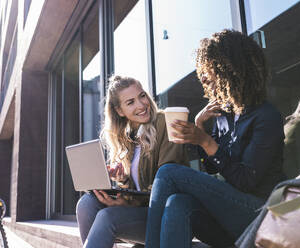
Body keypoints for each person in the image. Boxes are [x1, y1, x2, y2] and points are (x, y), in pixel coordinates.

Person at [145, 29, 285, 248]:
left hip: (261, 215)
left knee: (167, 172)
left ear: (230, 67)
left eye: (208, 67)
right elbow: (212, 168)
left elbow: (245, 180)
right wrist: (200, 129)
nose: (202, 76)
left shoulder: (266, 116)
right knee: (178, 203)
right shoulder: (223, 116)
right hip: (230, 216)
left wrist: (205, 141)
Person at [76, 75, 189, 248]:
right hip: (141, 211)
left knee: (107, 218)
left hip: (165, 215)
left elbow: (167, 184)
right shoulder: (128, 138)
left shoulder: (165, 122)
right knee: (86, 203)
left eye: (142, 96)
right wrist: (123, 181)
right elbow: (138, 186)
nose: (141, 105)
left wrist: (129, 204)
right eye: (130, 102)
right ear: (119, 111)